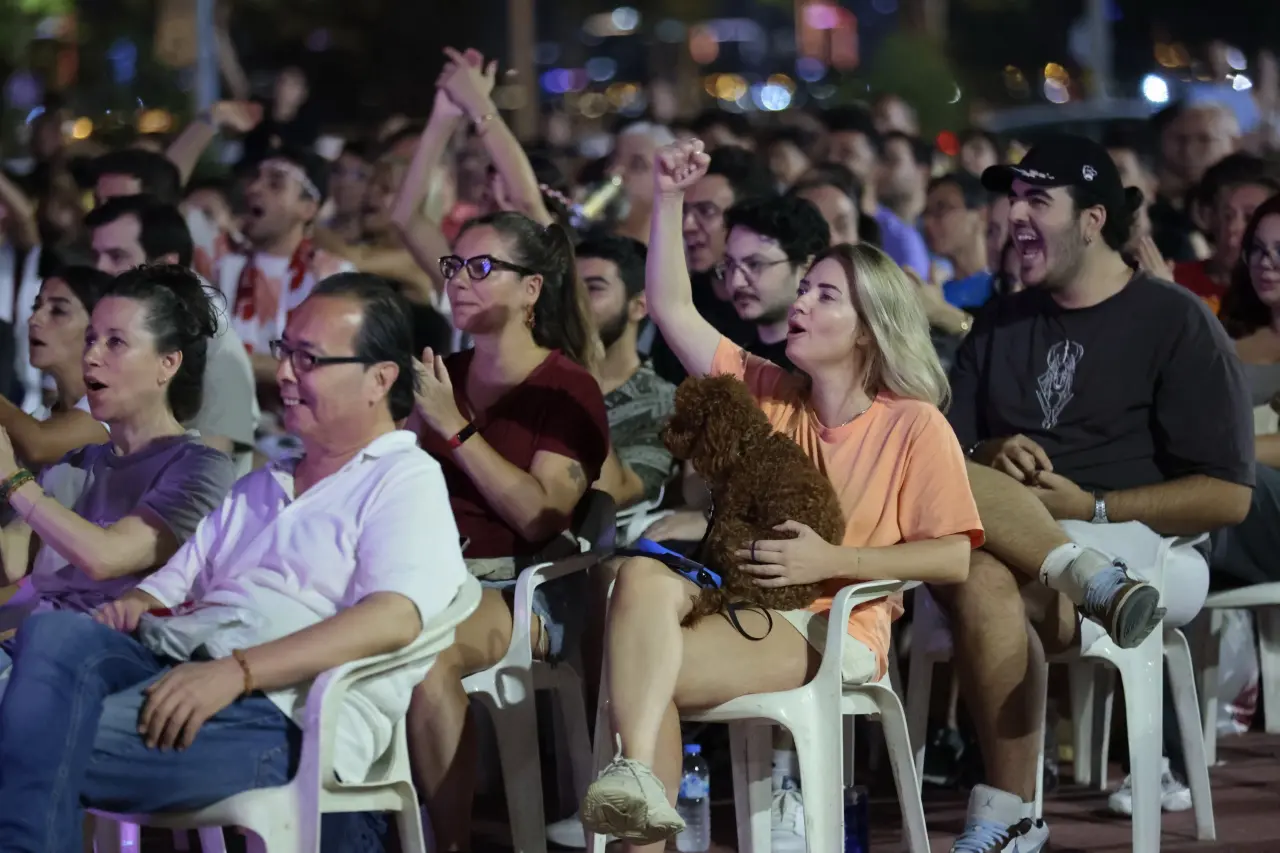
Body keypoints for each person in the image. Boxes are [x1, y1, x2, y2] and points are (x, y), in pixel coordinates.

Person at [577, 137, 981, 850]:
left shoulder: (914, 423)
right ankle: (639, 789)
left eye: (825, 294)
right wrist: (667, 197)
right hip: (751, 604)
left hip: (838, 625)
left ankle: (635, 810)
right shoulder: (770, 391)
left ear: (868, 328)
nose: (802, 303)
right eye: (804, 290)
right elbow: (671, 306)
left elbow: (951, 557)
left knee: (636, 686)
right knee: (640, 580)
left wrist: (833, 558)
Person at [0, 272, 469, 852]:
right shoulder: (263, 487)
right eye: (286, 352)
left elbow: (394, 617)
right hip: (176, 668)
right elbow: (160, 592)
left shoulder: (403, 478)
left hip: (284, 715)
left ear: (380, 379)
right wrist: (126, 610)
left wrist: (236, 671)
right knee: (54, 635)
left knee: (29, 741)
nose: (288, 374)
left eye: (310, 358)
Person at [939, 134, 1254, 852]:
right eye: (1012, 199)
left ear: (1093, 219)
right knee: (976, 558)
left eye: (1037, 201)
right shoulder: (1000, 321)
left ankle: (1008, 812)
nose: (1015, 215)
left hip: (1137, 546)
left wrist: (1092, 507)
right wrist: (988, 450)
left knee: (978, 572)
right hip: (1017, 554)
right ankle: (1010, 811)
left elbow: (1229, 496)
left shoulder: (1175, 320)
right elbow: (945, 453)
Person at [406, 211, 609, 853]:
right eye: (454, 266)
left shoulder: (567, 387)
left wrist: (455, 429)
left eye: (482, 267)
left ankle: (449, 844)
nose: (460, 281)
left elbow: (542, 515)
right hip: (429, 575)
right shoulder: (445, 374)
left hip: (522, 585)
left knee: (427, 654)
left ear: (531, 290)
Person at [0, 264, 238, 694]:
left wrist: (15, 481)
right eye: (91, 339)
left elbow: (106, 556)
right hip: (28, 650)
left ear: (168, 364)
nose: (91, 355)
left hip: (100, 671)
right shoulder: (79, 463)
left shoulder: (199, 468)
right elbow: (13, 560)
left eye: (116, 343)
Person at [85, 195, 259, 472]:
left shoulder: (214, 344)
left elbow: (208, 468)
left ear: (166, 263)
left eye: (117, 256)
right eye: (95, 255)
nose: (99, 269)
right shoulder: (101, 325)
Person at [647, 145, 773, 386]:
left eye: (707, 211)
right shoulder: (687, 295)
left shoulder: (778, 306)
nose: (688, 226)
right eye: (685, 212)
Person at [577, 235, 676, 510]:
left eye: (594, 288)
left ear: (638, 306)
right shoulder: (541, 375)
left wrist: (584, 389)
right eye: (570, 290)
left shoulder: (663, 404)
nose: (576, 303)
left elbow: (611, 494)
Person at [1213, 195, 1280, 589]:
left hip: (1241, 477)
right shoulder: (1225, 337)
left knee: (1226, 481)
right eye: (1257, 249)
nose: (1266, 262)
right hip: (1228, 478)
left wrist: (1220, 454)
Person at [0, 266, 110, 468]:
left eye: (58, 311)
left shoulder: (111, 411)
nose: (34, 319)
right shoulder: (40, 419)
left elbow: (39, 445)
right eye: (36, 307)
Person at [823, 108, 930, 277]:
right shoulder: (816, 225)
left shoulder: (901, 242)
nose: (832, 161)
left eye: (847, 153)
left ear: (877, 165)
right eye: (826, 152)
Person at [1173, 153, 1280, 313]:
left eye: (1250, 217)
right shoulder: (1173, 280)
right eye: (1227, 215)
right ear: (1207, 216)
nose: (1233, 227)